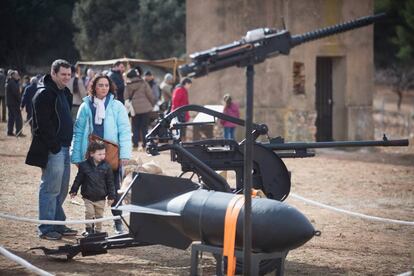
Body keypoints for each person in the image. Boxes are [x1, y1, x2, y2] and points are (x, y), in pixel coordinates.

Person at [71, 73, 131, 234]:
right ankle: (90, 228)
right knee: (91, 191)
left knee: (114, 190)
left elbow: (125, 131)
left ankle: (118, 224)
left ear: (110, 87)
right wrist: (76, 156)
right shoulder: (85, 106)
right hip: (90, 156)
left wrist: (125, 155)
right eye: (100, 85)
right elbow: (78, 132)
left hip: (111, 155)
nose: (103, 88)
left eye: (106, 85)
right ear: (94, 87)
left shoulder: (117, 106)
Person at [25, 59, 77, 240]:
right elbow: (41, 125)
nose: (66, 78)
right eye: (63, 74)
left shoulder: (65, 93)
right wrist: (54, 146)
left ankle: (58, 223)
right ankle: (46, 228)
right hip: (53, 149)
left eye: (69, 75)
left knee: (62, 189)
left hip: (64, 147)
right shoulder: (44, 94)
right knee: (50, 188)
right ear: (53, 73)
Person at [69, 140, 115, 236]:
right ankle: (89, 230)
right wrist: (74, 190)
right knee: (89, 213)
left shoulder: (107, 167)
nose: (102, 156)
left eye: (104, 154)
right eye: (99, 154)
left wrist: (111, 196)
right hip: (88, 197)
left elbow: (110, 183)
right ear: (91, 154)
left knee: (99, 216)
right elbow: (78, 179)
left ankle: (98, 231)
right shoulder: (84, 166)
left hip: (101, 197)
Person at [124, 69, 155, 150]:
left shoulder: (127, 85)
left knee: (135, 127)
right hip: (145, 108)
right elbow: (150, 95)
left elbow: (126, 97)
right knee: (144, 127)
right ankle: (145, 145)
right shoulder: (143, 83)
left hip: (134, 109)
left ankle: (135, 145)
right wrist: (152, 104)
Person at [5, 70, 24, 137]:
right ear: (13, 76)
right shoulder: (13, 83)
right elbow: (16, 93)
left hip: (10, 102)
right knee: (18, 118)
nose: (18, 76)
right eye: (17, 75)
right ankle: (18, 132)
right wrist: (20, 100)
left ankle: (10, 132)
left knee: (11, 117)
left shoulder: (11, 82)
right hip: (14, 103)